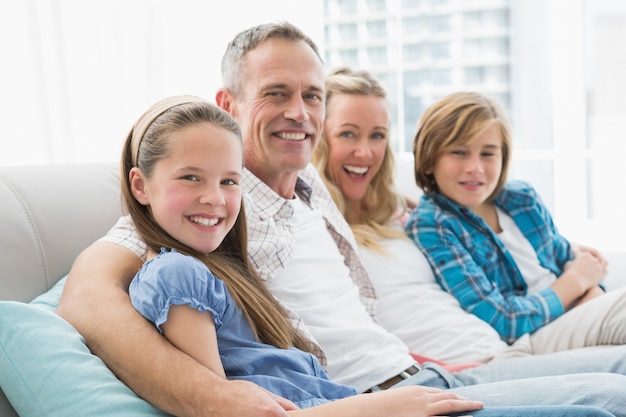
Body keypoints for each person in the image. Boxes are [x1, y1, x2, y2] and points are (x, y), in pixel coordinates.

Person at [57, 21, 626, 417]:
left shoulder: (312, 186)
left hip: (427, 372)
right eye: (275, 93)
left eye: (312, 95)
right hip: (364, 399)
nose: (299, 113)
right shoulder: (214, 205)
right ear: (228, 105)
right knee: (610, 400)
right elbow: (85, 298)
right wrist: (216, 400)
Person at [120, 94, 490, 416]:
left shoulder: (220, 269)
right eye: (191, 177)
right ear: (141, 185)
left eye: (229, 181)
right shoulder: (174, 274)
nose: (215, 198)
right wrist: (382, 407)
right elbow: (224, 408)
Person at [313, 66, 626, 365]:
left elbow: (551, 251)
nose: (365, 152)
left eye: (377, 135)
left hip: (526, 334)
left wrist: (583, 275)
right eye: (348, 134)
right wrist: (577, 282)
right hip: (512, 341)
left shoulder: (395, 206)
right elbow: (503, 315)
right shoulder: (320, 224)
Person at [405, 91, 626, 345]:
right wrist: (577, 281)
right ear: (428, 160)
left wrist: (588, 287)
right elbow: (504, 320)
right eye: (459, 152)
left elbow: (575, 262)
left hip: (579, 310)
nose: (475, 167)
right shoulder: (433, 224)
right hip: (531, 339)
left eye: (488, 154)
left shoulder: (522, 197)